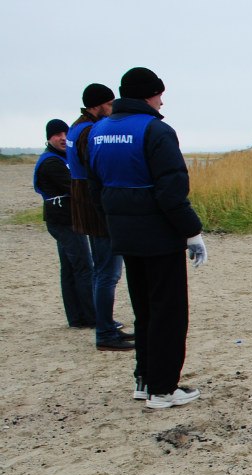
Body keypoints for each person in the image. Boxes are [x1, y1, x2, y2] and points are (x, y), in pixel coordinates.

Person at [88, 67, 207, 409]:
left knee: (143, 309)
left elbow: (94, 188)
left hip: (124, 234)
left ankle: (144, 378)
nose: (162, 100)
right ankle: (164, 388)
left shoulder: (99, 131)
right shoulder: (156, 131)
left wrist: (115, 221)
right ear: (148, 96)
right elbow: (171, 191)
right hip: (158, 236)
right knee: (168, 311)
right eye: (159, 94)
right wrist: (191, 232)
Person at [67, 82, 133, 351]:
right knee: (108, 272)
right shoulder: (90, 131)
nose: (112, 108)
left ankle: (104, 323)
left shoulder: (76, 127)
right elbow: (97, 168)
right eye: (108, 104)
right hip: (96, 208)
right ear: (97, 105)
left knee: (101, 271)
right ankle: (105, 331)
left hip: (84, 205)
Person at [33, 119, 95, 330]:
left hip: (66, 220)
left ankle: (77, 319)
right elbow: (74, 187)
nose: (62, 138)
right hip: (64, 222)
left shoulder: (63, 158)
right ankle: (92, 317)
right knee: (84, 267)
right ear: (48, 138)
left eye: (64, 134)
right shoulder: (51, 162)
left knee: (70, 269)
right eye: (57, 134)